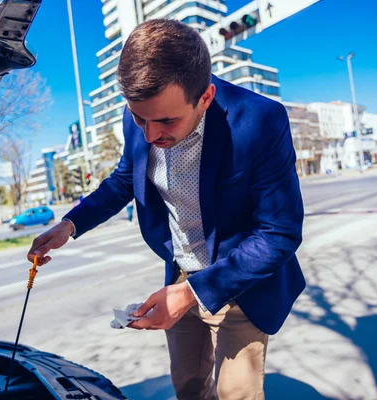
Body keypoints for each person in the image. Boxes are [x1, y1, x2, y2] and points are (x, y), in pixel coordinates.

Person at [27, 19, 305, 400]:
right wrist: (71, 224)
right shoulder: (139, 116)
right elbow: (125, 178)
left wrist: (195, 292)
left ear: (205, 98)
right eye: (140, 118)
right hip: (178, 275)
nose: (150, 135)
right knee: (188, 387)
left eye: (166, 121)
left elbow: (279, 233)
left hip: (239, 285)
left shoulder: (260, 121)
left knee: (235, 395)